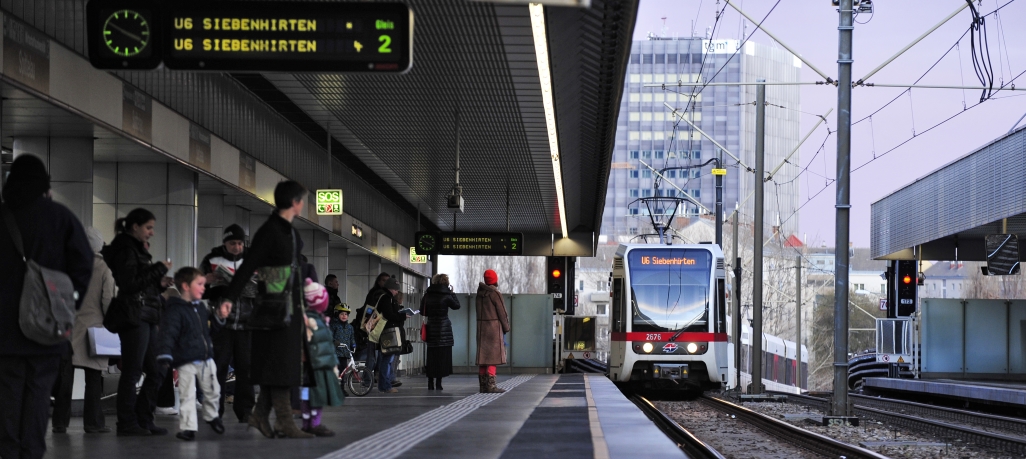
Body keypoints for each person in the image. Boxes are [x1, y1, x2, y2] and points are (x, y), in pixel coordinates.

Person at [0, 154, 92, 459]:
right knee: (40, 392)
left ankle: (8, 451)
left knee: (8, 394)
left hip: (5, 329)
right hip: (48, 324)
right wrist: (67, 302)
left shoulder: (3, 215)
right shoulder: (60, 217)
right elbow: (83, 264)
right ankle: (33, 451)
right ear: (44, 185)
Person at [219, 181, 313, 439]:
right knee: (279, 366)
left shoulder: (289, 232)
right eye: (301, 199)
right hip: (273, 308)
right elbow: (248, 266)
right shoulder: (270, 231)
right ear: (294, 202)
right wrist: (229, 297)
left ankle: (262, 416)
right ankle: (282, 421)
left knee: (281, 365)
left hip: (290, 307)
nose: (303, 204)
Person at [103, 207, 173, 436]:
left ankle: (144, 418)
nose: (152, 233)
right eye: (149, 227)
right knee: (133, 371)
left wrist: (159, 282)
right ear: (135, 227)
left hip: (147, 314)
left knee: (157, 369)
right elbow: (130, 283)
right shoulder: (125, 248)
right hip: (135, 315)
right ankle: (127, 422)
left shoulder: (135, 249)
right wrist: (158, 269)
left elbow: (140, 282)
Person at [155, 267, 230, 441]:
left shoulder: (201, 309)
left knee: (213, 390)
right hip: (186, 360)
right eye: (200, 284)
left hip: (205, 358)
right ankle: (188, 427)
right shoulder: (175, 310)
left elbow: (209, 331)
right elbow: (168, 334)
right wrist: (165, 354)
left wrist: (219, 318)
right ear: (186, 286)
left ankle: (212, 416)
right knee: (187, 394)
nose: (204, 288)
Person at [56, 228, 116, 434]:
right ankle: (93, 423)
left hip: (69, 330)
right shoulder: (103, 269)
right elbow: (107, 301)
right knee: (93, 380)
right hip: (94, 332)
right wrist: (113, 325)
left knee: (65, 379)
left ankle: (59, 423)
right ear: (99, 246)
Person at [201, 223, 256, 422]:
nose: (237, 247)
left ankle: (246, 411)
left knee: (246, 368)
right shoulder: (211, 259)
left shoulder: (253, 260)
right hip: (221, 324)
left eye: (240, 243)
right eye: (232, 243)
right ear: (225, 243)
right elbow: (200, 290)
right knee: (218, 367)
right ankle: (214, 410)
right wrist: (206, 281)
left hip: (247, 324)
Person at [300, 279, 344, 436]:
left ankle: (308, 423)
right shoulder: (312, 320)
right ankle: (313, 423)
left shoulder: (314, 319)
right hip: (317, 367)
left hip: (311, 367)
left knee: (308, 397)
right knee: (315, 397)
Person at [422, 273, 461, 390]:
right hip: (444, 329)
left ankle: (430, 382)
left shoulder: (427, 295)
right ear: (446, 283)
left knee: (432, 356)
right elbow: (457, 306)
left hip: (432, 328)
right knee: (442, 356)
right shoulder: (447, 295)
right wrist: (452, 293)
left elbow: (422, 311)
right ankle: (439, 383)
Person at [476, 269, 509, 393]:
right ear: (495, 280)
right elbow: (502, 313)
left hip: (481, 328)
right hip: (493, 329)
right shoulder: (495, 294)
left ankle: (483, 386)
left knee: (483, 357)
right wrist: (506, 327)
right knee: (493, 357)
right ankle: (491, 386)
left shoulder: (479, 294)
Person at [353, 272, 390, 387]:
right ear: (379, 281)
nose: (385, 282)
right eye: (384, 280)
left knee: (376, 355)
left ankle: (370, 378)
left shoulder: (378, 293)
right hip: (374, 328)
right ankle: (368, 379)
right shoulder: (378, 294)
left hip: (375, 328)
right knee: (374, 356)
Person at [372, 277, 407, 393]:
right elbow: (389, 315)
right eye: (396, 290)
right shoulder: (386, 298)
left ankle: (384, 385)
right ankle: (385, 386)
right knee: (387, 360)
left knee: (386, 359)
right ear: (391, 289)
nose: (397, 292)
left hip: (388, 332)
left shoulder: (387, 298)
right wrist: (402, 316)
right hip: (388, 333)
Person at [329, 304, 356, 381]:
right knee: (335, 372)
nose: (344, 316)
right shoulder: (334, 325)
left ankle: (342, 389)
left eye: (346, 314)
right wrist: (335, 342)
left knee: (343, 372)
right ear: (337, 314)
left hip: (344, 353)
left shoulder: (350, 327)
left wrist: (353, 345)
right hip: (335, 352)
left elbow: (352, 337)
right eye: (342, 314)